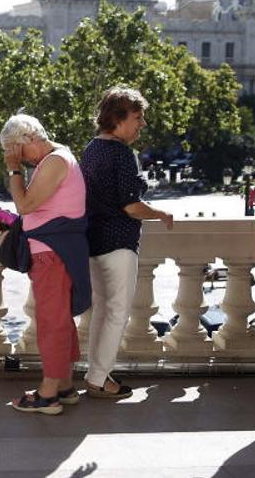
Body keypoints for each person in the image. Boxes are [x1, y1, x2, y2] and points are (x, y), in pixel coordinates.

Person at [79, 86, 173, 400]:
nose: (141, 124)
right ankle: (99, 379)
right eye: (137, 117)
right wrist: (160, 212)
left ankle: (96, 373)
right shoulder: (121, 152)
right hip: (119, 243)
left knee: (103, 312)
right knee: (116, 313)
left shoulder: (91, 148)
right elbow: (130, 205)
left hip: (93, 242)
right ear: (117, 119)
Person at [1, 112, 91, 415]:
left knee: (52, 322)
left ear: (28, 139)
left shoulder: (54, 161)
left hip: (52, 255)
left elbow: (25, 204)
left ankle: (48, 395)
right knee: (60, 319)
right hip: (55, 251)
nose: (19, 158)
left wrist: (14, 170)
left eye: (17, 150)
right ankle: (64, 385)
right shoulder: (58, 158)